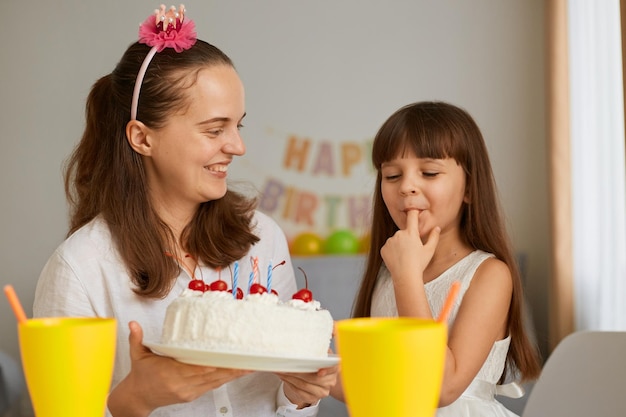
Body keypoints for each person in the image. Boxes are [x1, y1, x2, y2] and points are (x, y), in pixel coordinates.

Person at [33, 5, 337, 417]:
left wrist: (300, 396)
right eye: (214, 130)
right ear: (142, 138)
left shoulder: (262, 239)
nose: (237, 146)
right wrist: (135, 399)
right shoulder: (80, 269)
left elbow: (287, 400)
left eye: (238, 126)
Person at [331, 101, 541, 416]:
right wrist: (302, 359)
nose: (406, 187)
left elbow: (440, 387)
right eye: (391, 175)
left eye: (429, 172)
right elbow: (371, 384)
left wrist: (408, 280)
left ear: (469, 186)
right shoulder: (388, 275)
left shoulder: (489, 274)